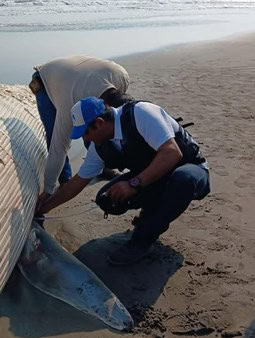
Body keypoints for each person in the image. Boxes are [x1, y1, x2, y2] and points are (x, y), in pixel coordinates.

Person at [36, 96, 210, 265]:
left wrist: (133, 184)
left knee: (183, 180)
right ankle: (151, 211)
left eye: (86, 133)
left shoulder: (141, 114)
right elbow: (78, 182)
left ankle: (142, 240)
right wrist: (45, 207)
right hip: (156, 178)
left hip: (191, 170)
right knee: (107, 200)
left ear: (99, 123)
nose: (86, 139)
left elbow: (172, 153)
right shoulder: (100, 147)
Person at [29, 56, 130, 203]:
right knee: (54, 134)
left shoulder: (120, 76)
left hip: (75, 75)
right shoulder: (69, 105)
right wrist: (47, 190)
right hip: (45, 79)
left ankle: (103, 165)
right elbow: (59, 146)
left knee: (97, 130)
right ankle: (65, 180)